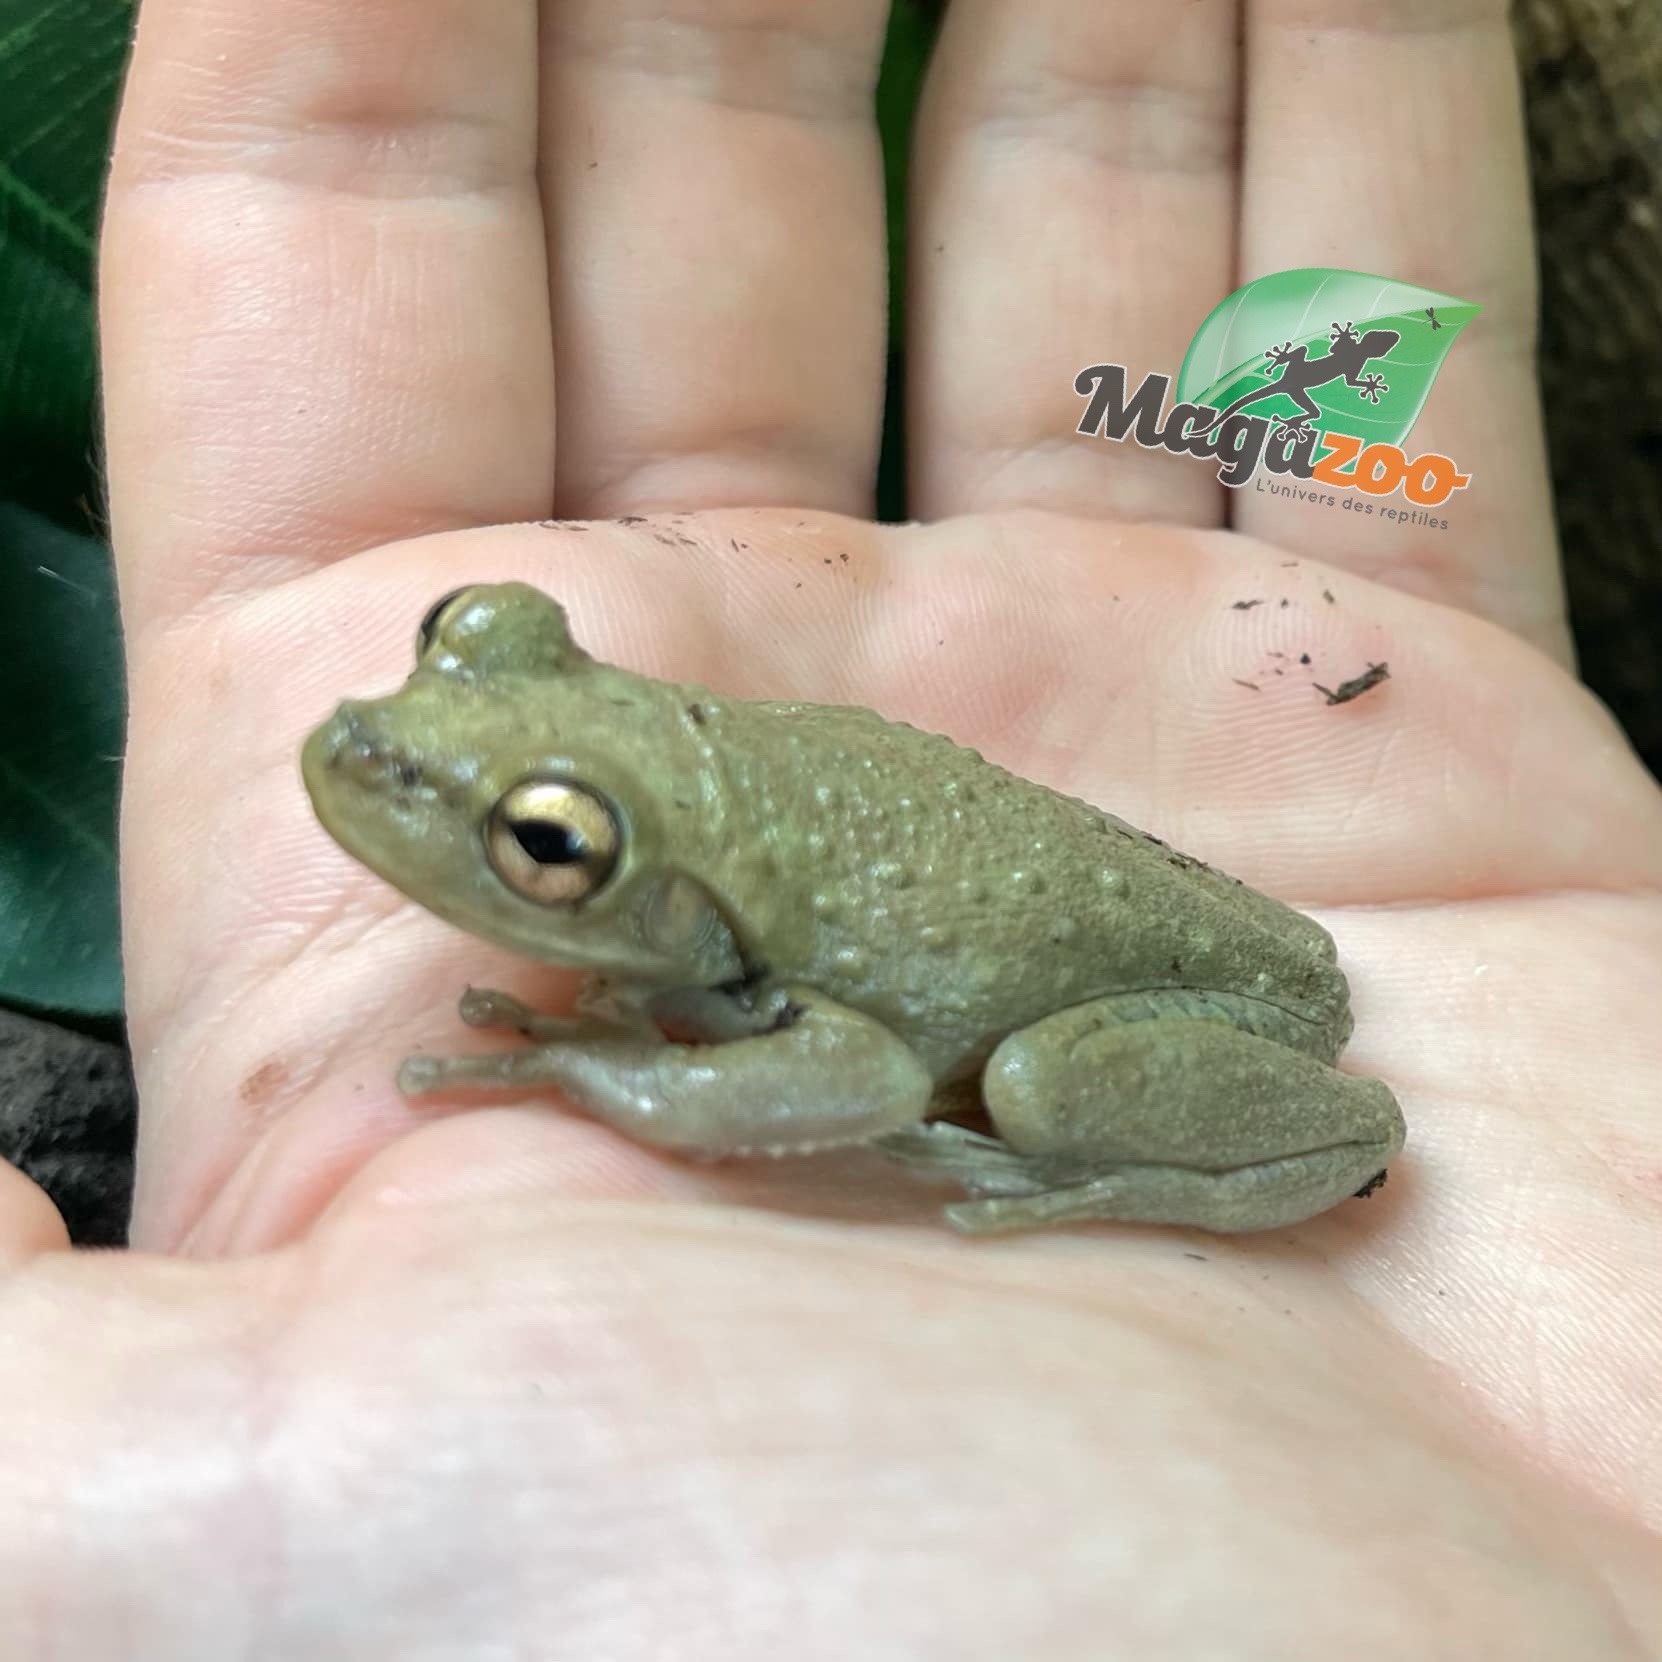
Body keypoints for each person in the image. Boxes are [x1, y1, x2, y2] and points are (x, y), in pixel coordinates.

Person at [3, 2, 1658, 1653]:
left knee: (1028, 1083)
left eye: (546, 841)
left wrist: (599, 1066)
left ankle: (1168, 1165)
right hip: (1049, 895)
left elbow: (865, 1074)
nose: (384, 749)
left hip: (1122, 999)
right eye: (463, 638)